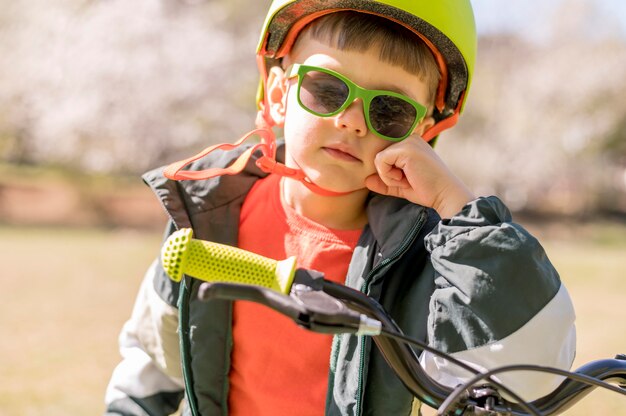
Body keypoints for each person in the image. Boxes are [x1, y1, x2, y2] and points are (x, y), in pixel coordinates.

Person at [105, 1, 576, 415]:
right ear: (277, 95)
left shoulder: (431, 259)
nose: (350, 120)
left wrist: (456, 206)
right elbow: (154, 354)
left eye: (388, 111)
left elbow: (530, 375)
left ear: (424, 135)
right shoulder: (211, 216)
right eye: (327, 90)